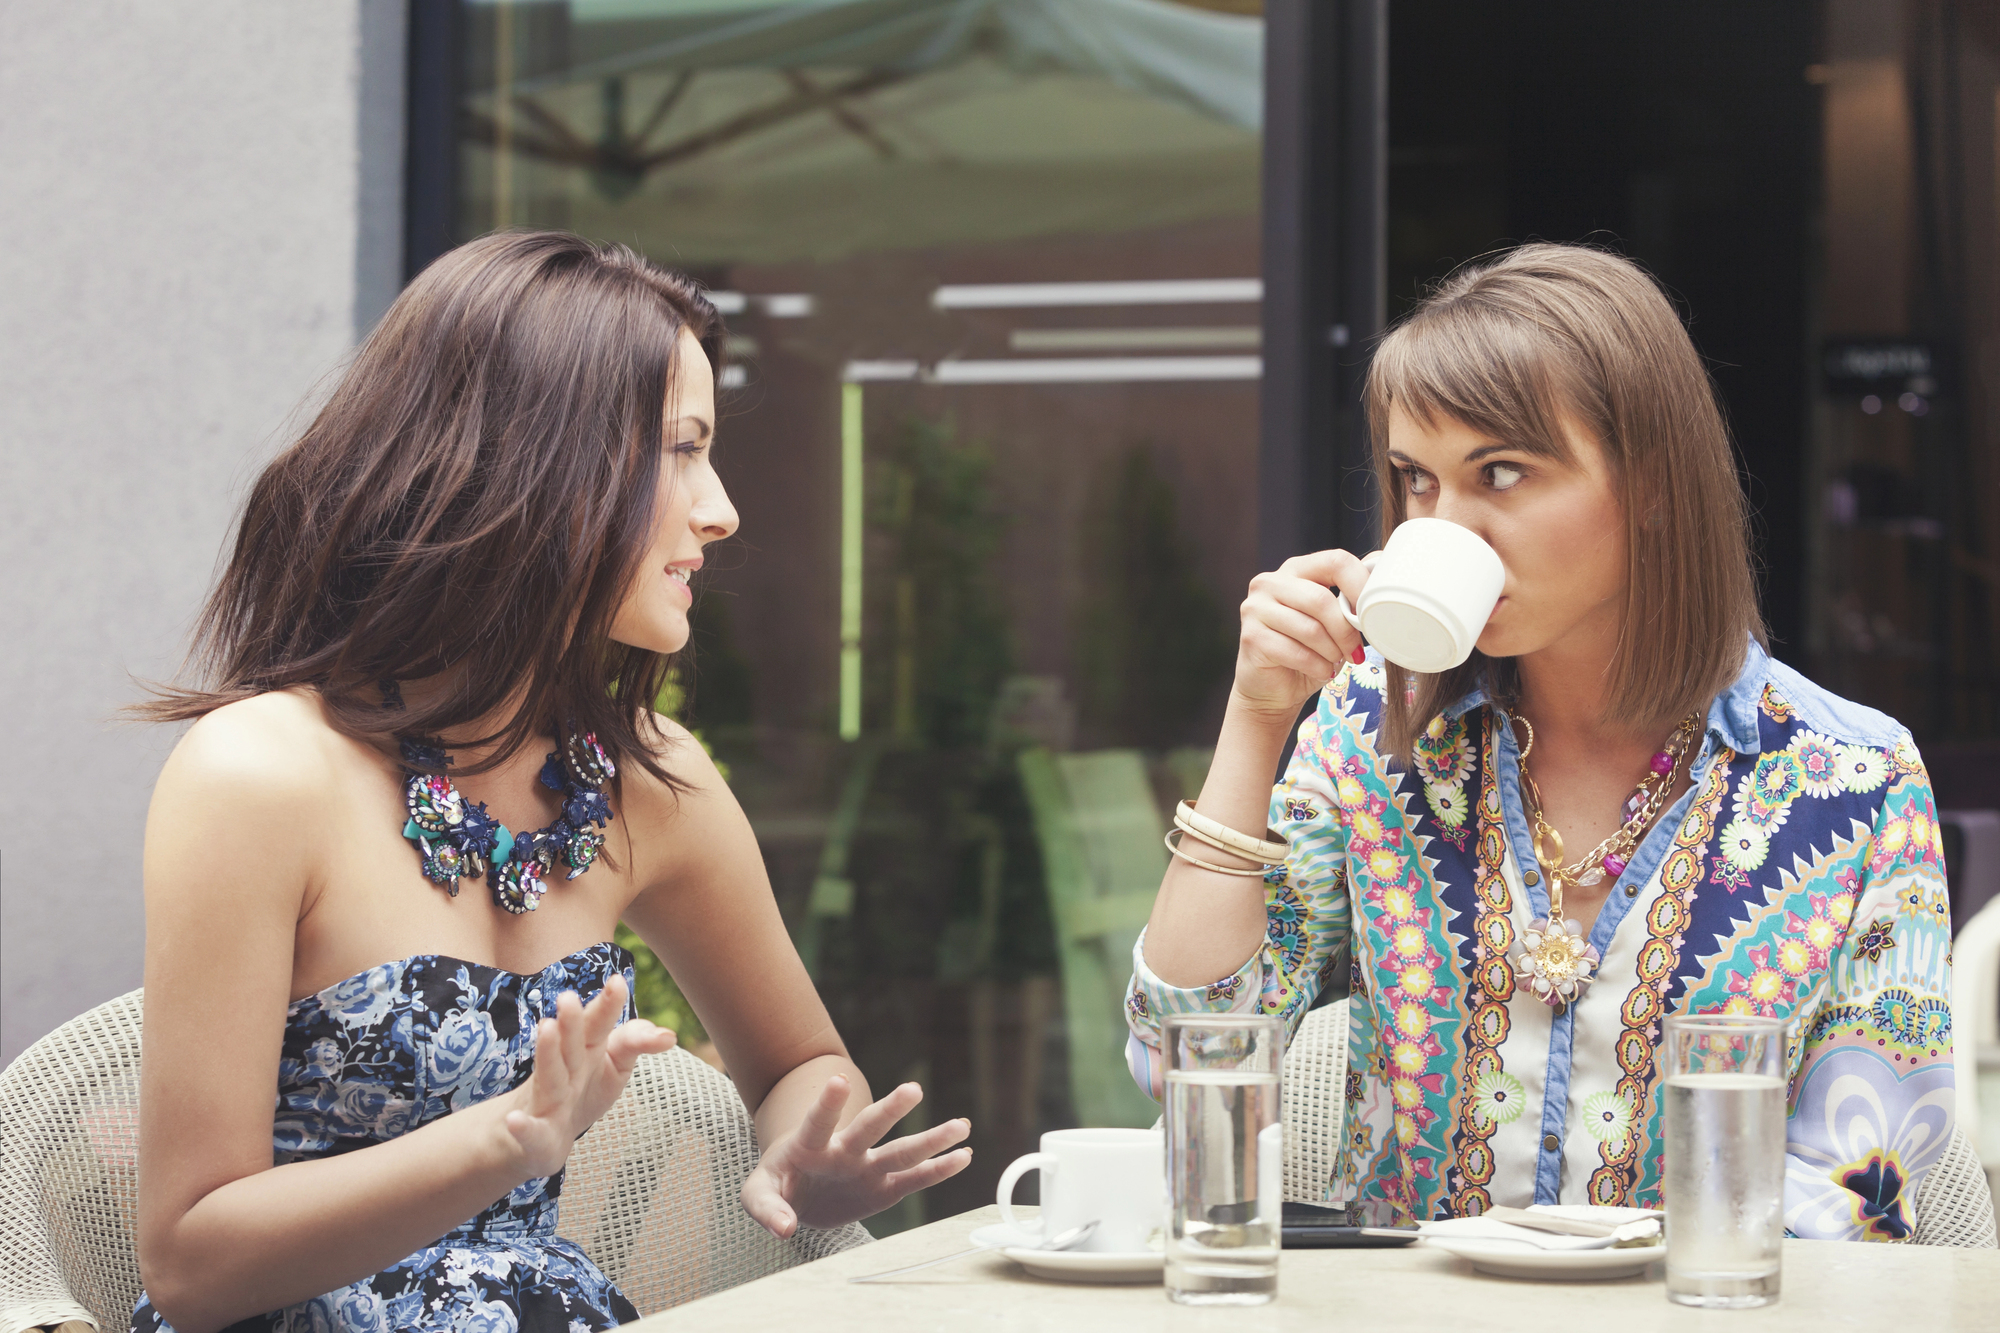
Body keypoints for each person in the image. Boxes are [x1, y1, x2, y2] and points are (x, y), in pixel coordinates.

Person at [128, 231, 972, 1333]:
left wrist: (807, 1155)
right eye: (680, 448)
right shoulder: (260, 774)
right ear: (533, 461)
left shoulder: (649, 784)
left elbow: (799, 1061)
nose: (719, 510)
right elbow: (191, 1261)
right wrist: (504, 1137)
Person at [1126, 243, 1954, 1239]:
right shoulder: (1371, 739)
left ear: (1648, 482)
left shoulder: (1852, 781)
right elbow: (1183, 1065)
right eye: (1415, 481)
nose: (1446, 525)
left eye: (1502, 472)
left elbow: (1864, 1198)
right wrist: (1256, 717)